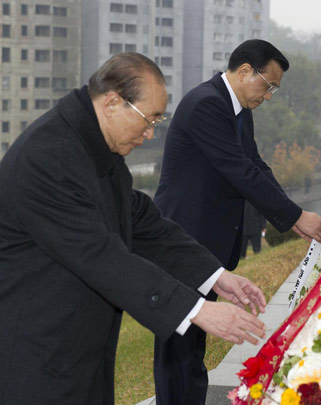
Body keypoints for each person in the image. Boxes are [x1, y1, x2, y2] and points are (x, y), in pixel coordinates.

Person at [0, 53, 267, 404]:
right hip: (38, 358)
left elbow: (138, 218)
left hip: (77, 354)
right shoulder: (54, 156)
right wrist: (198, 310)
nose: (149, 134)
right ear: (112, 102)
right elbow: (99, 254)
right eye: (148, 119)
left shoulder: (92, 144)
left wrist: (215, 276)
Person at [153, 39, 321, 404]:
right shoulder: (207, 105)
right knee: (178, 350)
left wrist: (291, 216)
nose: (269, 96)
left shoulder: (236, 109)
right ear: (245, 70)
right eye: (269, 85)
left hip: (206, 246)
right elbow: (238, 172)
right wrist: (295, 215)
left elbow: (256, 167)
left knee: (193, 348)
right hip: (184, 242)